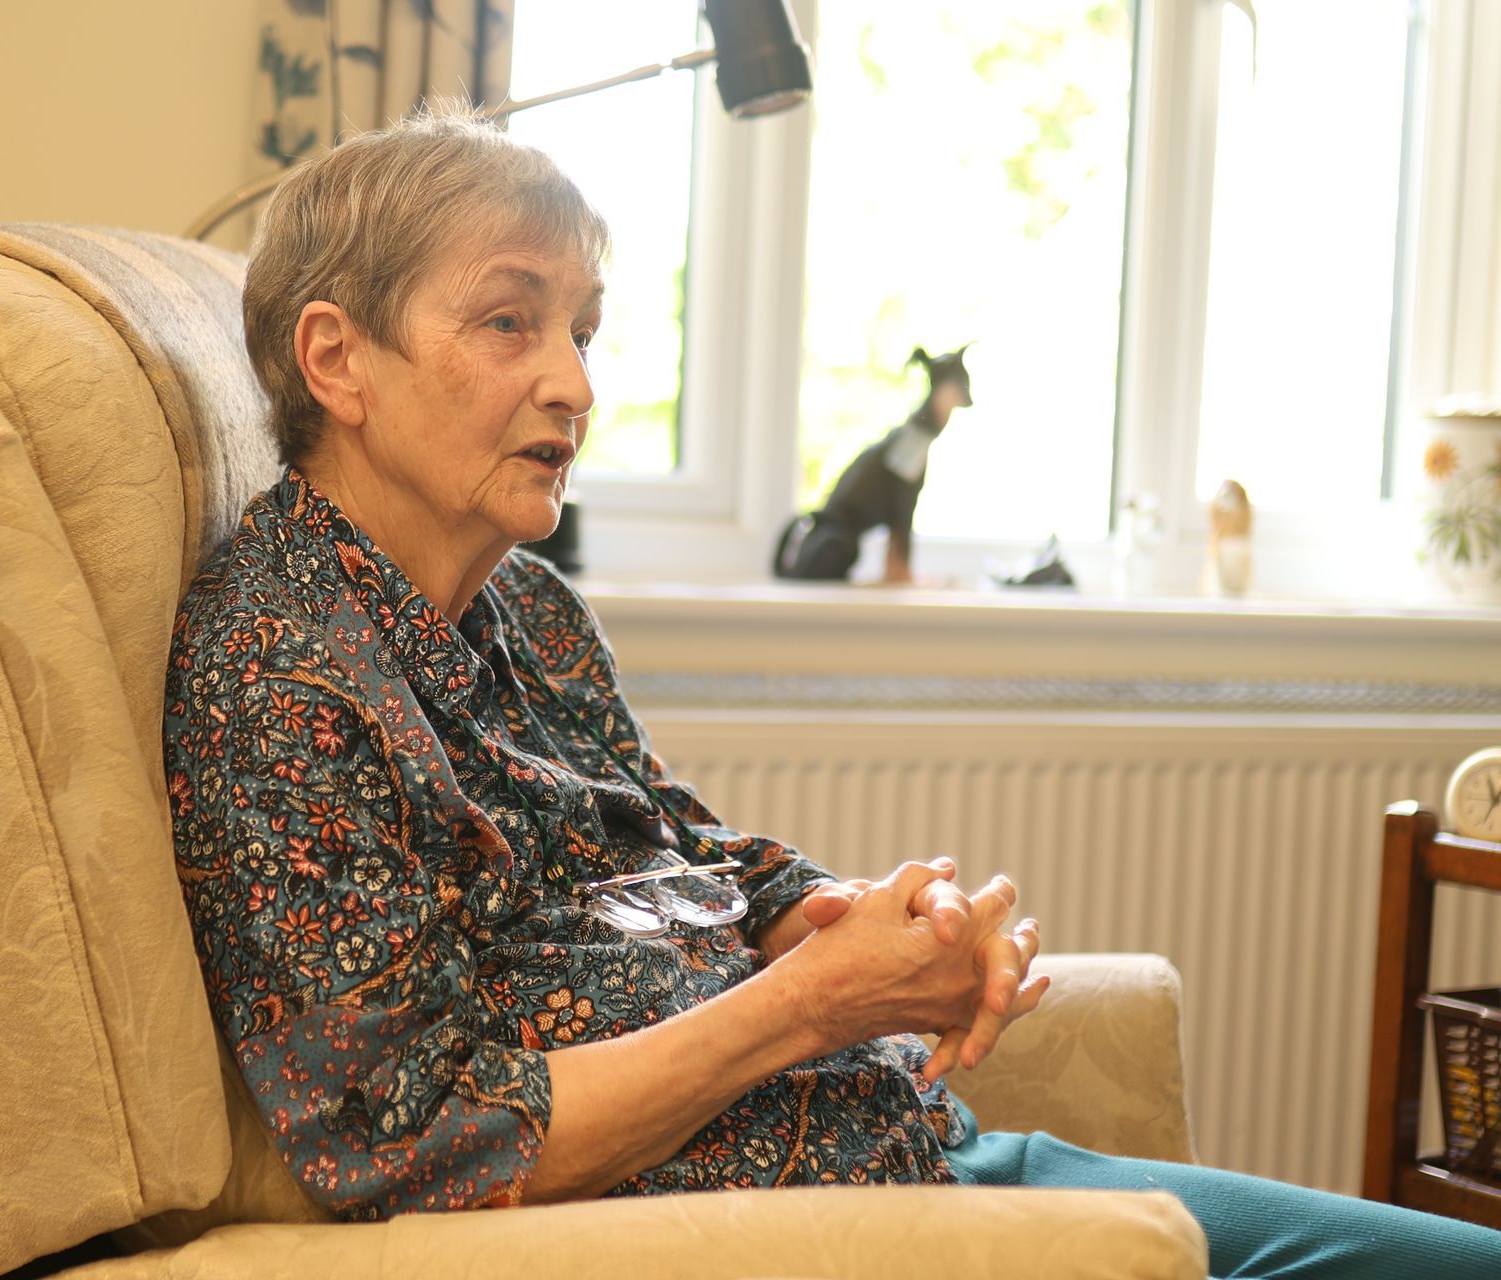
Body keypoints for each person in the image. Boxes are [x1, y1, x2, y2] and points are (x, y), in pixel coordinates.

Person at [162, 105, 1501, 1277]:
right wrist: (811, 1002)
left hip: (903, 1152)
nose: (572, 382)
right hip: (796, 1231)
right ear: (337, 361)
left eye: (582, 328)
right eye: (509, 322)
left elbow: (686, 848)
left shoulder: (525, 609)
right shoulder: (281, 678)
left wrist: (843, 918)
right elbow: (411, 1141)